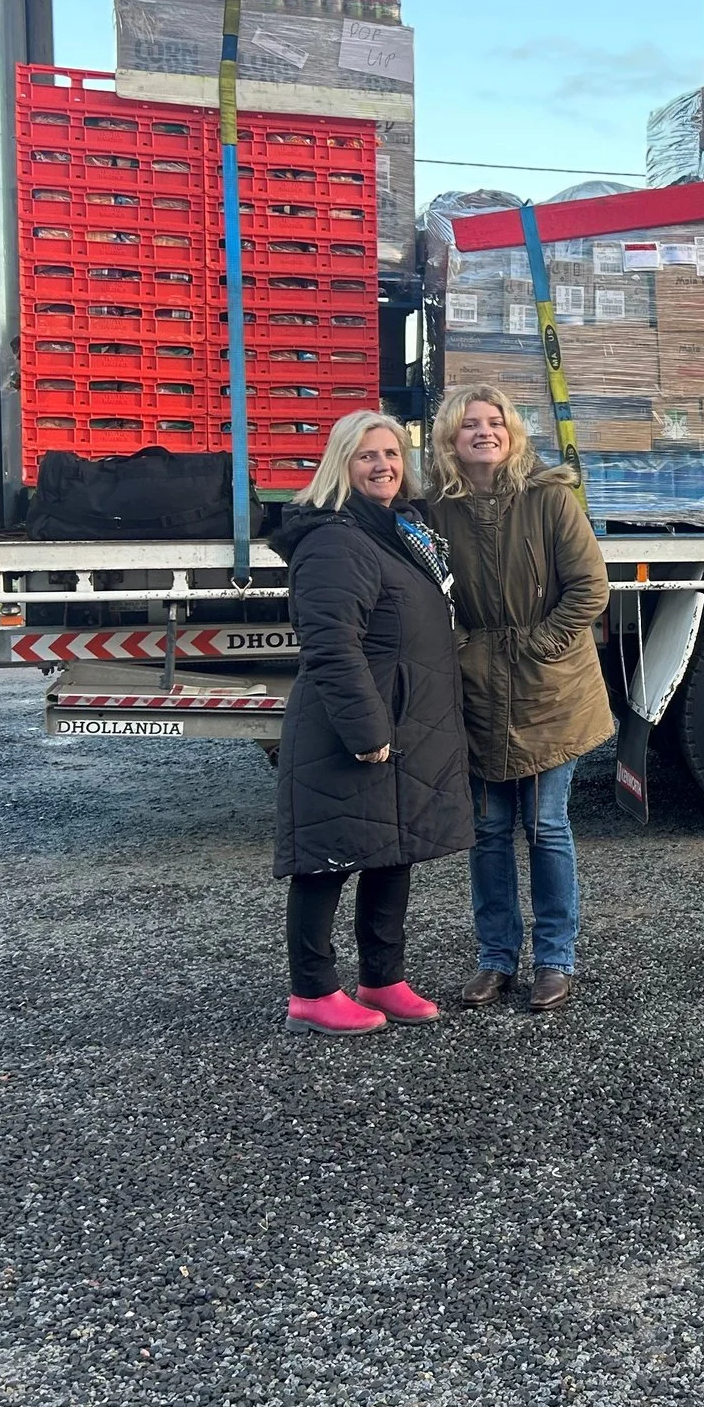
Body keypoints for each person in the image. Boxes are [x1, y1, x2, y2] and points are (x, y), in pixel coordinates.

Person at [270, 410, 473, 1036]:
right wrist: (367, 730)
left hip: (405, 719)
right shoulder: (336, 539)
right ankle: (312, 991)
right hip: (353, 727)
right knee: (326, 858)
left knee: (392, 850)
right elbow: (331, 643)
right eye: (366, 456)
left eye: (390, 453)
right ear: (341, 465)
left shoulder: (398, 529)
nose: (382, 465)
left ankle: (382, 978)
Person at [425, 385, 615, 1015]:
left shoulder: (549, 498)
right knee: (487, 829)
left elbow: (589, 587)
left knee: (546, 824)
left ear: (511, 432)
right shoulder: (435, 512)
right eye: (470, 424)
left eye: (495, 421)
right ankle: (495, 959)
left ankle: (555, 960)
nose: (485, 432)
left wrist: (541, 646)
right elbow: (426, 595)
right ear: (451, 438)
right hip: (477, 688)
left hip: (549, 688)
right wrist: (462, 651)